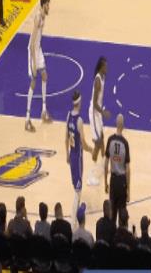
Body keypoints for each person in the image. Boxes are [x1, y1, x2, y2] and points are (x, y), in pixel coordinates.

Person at [65, 90, 93, 229]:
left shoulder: (68, 116)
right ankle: (73, 223)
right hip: (77, 157)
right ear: (79, 102)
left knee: (77, 188)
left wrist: (66, 154)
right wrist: (91, 149)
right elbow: (83, 142)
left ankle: (77, 215)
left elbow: (65, 137)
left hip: (71, 155)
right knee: (77, 191)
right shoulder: (79, 121)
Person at [25, 0, 52, 132]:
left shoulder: (43, 17)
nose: (49, 7)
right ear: (43, 5)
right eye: (47, 5)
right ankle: (27, 120)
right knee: (33, 82)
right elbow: (31, 44)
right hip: (32, 52)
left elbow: (37, 41)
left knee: (45, 76)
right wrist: (34, 64)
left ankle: (43, 111)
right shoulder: (37, 18)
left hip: (38, 49)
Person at [104, 114, 130, 225]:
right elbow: (127, 169)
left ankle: (112, 233)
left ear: (116, 124)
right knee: (122, 215)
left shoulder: (110, 140)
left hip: (113, 180)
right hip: (122, 181)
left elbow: (106, 164)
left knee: (112, 214)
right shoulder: (125, 143)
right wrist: (128, 189)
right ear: (123, 126)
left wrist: (105, 182)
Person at [89, 56, 111, 186]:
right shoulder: (98, 81)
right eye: (105, 66)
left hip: (98, 113)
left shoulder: (103, 77)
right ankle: (91, 176)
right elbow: (94, 103)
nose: (107, 68)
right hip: (94, 113)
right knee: (98, 144)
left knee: (102, 138)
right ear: (101, 67)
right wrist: (103, 112)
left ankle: (103, 165)